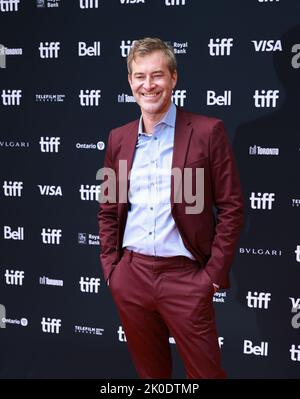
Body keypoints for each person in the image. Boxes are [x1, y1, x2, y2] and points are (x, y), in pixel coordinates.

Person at [98, 37, 243, 379]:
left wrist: (210, 278)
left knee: (206, 375)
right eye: (139, 76)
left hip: (186, 278)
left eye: (157, 75)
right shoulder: (117, 138)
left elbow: (232, 207)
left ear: (173, 78)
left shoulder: (208, 131)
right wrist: (112, 270)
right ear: (131, 82)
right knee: (152, 377)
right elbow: (108, 208)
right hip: (131, 277)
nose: (148, 85)